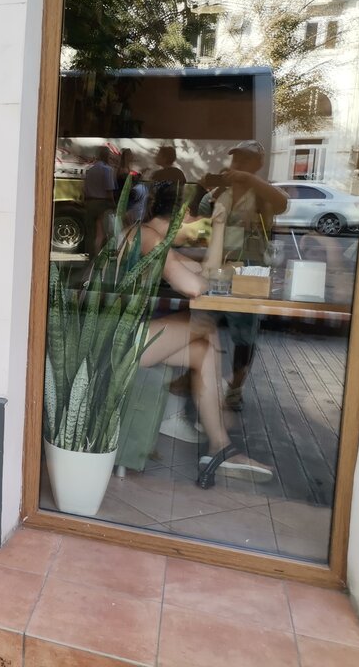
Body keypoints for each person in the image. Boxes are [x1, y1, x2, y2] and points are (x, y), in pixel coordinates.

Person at [131, 181, 273, 488]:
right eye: (198, 222)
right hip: (115, 341)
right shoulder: (146, 237)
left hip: (131, 338)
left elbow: (207, 274)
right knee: (204, 325)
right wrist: (211, 277)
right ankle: (215, 414)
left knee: (204, 346)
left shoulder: (155, 238)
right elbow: (195, 286)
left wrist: (218, 227)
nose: (197, 231)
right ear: (184, 215)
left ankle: (219, 446)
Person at [199, 140, 289, 411]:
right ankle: (195, 377)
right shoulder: (221, 192)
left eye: (245, 159)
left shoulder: (262, 193)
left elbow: (282, 202)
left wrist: (248, 179)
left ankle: (235, 388)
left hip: (249, 270)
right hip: (216, 270)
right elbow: (199, 215)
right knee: (202, 324)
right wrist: (209, 188)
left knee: (245, 335)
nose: (237, 164)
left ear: (258, 164)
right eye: (236, 158)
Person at [83, 145, 117, 253]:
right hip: (103, 204)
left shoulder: (90, 170)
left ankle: (90, 254)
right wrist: (113, 204)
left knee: (90, 232)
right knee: (102, 233)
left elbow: (84, 189)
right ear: (106, 156)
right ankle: (98, 255)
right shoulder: (107, 170)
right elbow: (109, 190)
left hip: (90, 203)